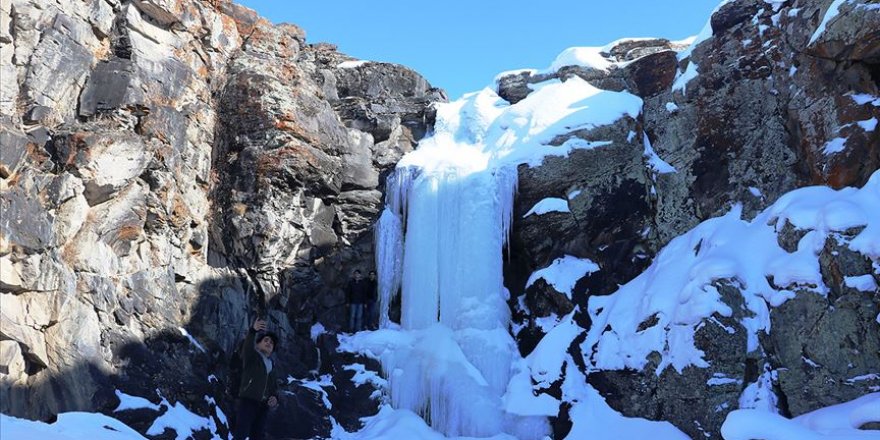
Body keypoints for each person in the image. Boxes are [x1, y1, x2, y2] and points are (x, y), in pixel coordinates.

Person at [232, 318, 279, 440]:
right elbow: (247, 345)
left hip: (263, 406)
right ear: (257, 344)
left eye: (271, 343)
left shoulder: (272, 366)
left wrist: (275, 398)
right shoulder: (252, 357)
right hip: (248, 401)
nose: (269, 343)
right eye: (266, 340)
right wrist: (253, 330)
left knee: (258, 436)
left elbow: (274, 388)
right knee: (241, 433)